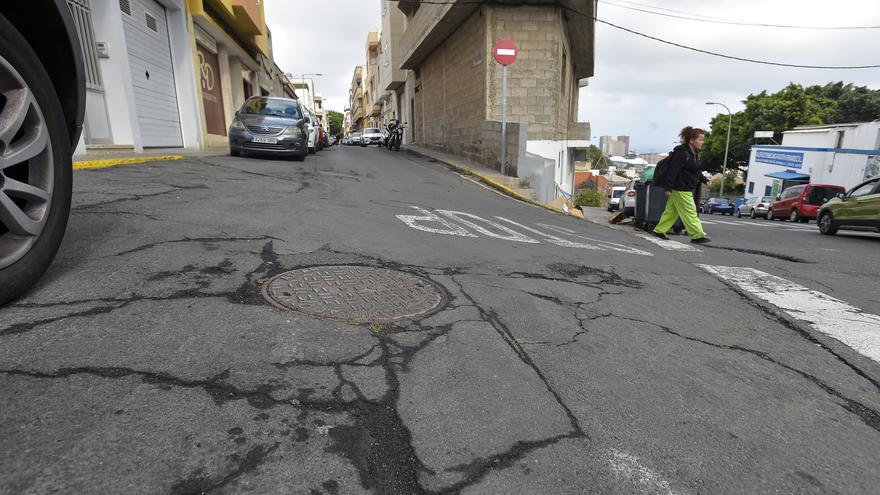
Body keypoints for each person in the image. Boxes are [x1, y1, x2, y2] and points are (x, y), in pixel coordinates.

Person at [652, 126, 712, 244]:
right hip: (680, 188)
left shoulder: (693, 153)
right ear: (691, 140)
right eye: (700, 140)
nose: (702, 142)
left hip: (683, 187)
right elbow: (672, 171)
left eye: (702, 140)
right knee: (690, 212)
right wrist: (668, 187)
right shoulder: (682, 153)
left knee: (671, 211)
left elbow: (695, 171)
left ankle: (659, 230)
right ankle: (697, 235)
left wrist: (705, 179)